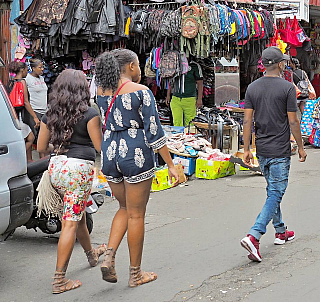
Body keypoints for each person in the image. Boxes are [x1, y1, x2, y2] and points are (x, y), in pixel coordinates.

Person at [95, 49, 179, 287]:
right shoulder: (141, 92)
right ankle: (135, 274)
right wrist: (171, 165)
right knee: (136, 214)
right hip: (136, 154)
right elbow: (154, 133)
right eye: (139, 64)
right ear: (131, 67)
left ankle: (109, 256)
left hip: (110, 154)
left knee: (123, 207)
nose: (141, 69)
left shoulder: (101, 92)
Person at [36, 69, 106, 294]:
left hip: (56, 170)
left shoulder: (50, 114)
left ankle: (91, 255)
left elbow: (40, 148)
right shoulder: (90, 114)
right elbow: (99, 147)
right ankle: (59, 280)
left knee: (79, 216)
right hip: (78, 171)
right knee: (70, 222)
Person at [241, 46, 307, 262]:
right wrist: (301, 147)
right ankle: (255, 234)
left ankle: (280, 231)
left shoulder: (252, 88)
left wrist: (247, 149)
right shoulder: (288, 88)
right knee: (276, 192)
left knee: (272, 191)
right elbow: (293, 120)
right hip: (279, 150)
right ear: (280, 64)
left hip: (262, 149)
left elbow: (248, 120)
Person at [7, 61, 37, 160]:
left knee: (24, 138)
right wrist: (35, 117)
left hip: (13, 115)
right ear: (22, 70)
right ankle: (16, 156)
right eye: (26, 70)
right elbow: (26, 102)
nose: (27, 72)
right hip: (20, 115)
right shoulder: (22, 82)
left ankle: (27, 159)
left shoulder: (10, 82)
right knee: (31, 137)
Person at [166, 60, 203, 127]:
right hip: (176, 98)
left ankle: (190, 137)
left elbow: (200, 83)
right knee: (177, 123)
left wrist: (199, 99)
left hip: (190, 99)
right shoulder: (175, 64)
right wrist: (168, 95)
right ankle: (179, 136)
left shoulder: (194, 66)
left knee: (190, 123)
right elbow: (171, 81)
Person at [26, 58, 48, 159]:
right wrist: (34, 117)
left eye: (43, 67)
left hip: (44, 111)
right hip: (34, 111)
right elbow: (26, 99)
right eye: (40, 67)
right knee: (32, 137)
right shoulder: (27, 79)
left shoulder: (41, 78)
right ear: (33, 68)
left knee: (43, 137)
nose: (42, 69)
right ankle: (29, 160)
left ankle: (42, 161)